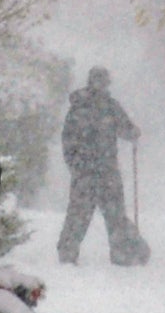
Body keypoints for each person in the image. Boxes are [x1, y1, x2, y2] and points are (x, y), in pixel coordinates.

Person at [57, 67, 150, 266]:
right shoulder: (85, 107)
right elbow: (68, 141)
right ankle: (69, 255)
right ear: (92, 82)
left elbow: (125, 128)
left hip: (102, 171)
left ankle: (117, 254)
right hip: (93, 171)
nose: (101, 85)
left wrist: (132, 132)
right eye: (98, 81)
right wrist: (76, 165)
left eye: (103, 81)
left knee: (106, 214)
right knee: (84, 214)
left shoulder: (108, 107)